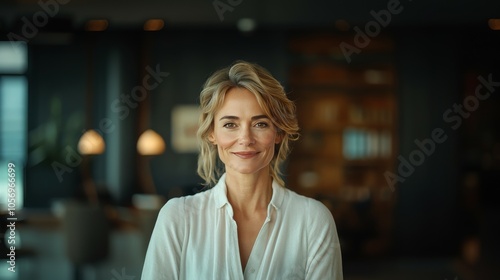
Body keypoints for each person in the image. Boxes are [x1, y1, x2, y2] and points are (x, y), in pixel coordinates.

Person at [141, 61, 343, 280]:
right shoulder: (177, 218)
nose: (245, 139)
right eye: (230, 124)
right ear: (212, 133)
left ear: (278, 133)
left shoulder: (312, 220)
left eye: (260, 124)